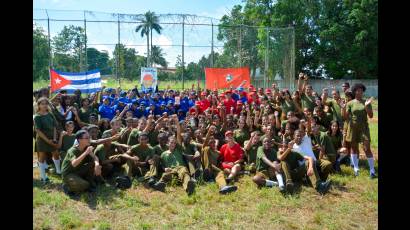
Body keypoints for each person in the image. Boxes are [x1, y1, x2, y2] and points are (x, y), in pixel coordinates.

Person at [277, 130, 331, 195]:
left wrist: (310, 167)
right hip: (287, 176)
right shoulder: (279, 153)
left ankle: (319, 186)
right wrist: (288, 149)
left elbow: (309, 158)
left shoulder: (295, 153)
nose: (284, 148)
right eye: (283, 146)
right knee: (284, 162)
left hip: (296, 174)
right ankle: (289, 184)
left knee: (308, 162)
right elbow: (281, 158)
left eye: (286, 146)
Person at [342, 83, 376, 178]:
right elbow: (345, 117)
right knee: (354, 148)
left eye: (361, 90)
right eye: (357, 90)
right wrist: (343, 108)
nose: (360, 92)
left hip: (364, 129)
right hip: (352, 129)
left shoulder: (366, 102)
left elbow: (371, 116)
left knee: (366, 148)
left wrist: (366, 106)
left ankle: (372, 170)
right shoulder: (350, 103)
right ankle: (356, 168)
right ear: (354, 91)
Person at [61, 130, 102, 194]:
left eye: (89, 137)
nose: (89, 139)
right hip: (69, 174)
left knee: (93, 163)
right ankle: (67, 186)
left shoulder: (86, 147)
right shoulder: (72, 150)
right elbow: (74, 164)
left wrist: (97, 165)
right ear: (79, 140)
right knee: (85, 185)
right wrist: (86, 153)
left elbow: (95, 157)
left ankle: (88, 182)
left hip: (78, 170)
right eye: (86, 138)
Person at [201, 125, 238, 194]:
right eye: (210, 142)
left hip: (214, 168)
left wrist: (229, 163)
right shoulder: (206, 149)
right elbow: (205, 143)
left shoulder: (218, 152)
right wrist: (209, 132)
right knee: (205, 149)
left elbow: (222, 160)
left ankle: (223, 187)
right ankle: (208, 173)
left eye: (213, 142)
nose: (212, 143)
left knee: (220, 173)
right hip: (206, 169)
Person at [34, 97, 61, 183]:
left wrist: (54, 138)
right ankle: (43, 177)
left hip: (52, 138)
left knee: (56, 154)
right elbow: (38, 131)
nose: (44, 105)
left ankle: (58, 171)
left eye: (46, 103)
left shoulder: (50, 114)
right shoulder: (37, 117)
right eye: (42, 104)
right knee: (42, 157)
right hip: (42, 140)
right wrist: (47, 141)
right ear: (39, 105)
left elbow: (54, 126)